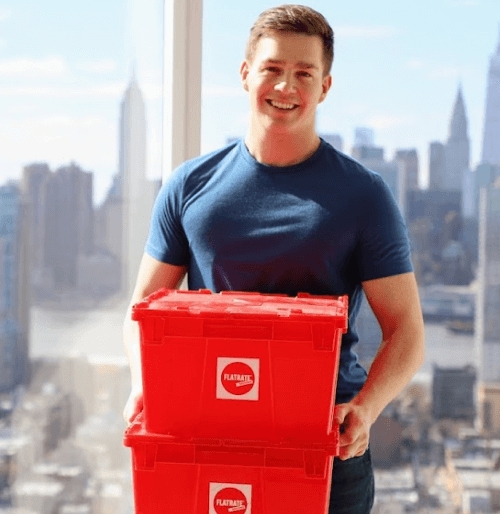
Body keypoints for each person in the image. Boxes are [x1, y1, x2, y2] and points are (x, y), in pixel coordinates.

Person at [123, 4, 425, 513]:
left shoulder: (364, 196)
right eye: (272, 69)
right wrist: (143, 387)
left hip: (324, 444)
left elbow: (407, 331)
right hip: (207, 436)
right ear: (246, 75)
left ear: (324, 87)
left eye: (304, 73)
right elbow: (143, 310)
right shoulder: (188, 186)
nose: (286, 86)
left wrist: (366, 409)